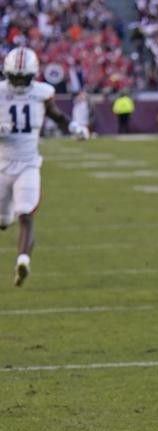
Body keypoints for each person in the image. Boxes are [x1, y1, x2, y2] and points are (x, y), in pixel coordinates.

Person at [0, 46, 89, 286]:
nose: (19, 83)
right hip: (2, 163)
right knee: (3, 221)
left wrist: (74, 127)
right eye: (15, 77)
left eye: (23, 77)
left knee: (26, 214)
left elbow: (56, 115)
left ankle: (23, 259)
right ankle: (21, 253)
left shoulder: (41, 93)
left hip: (29, 163)